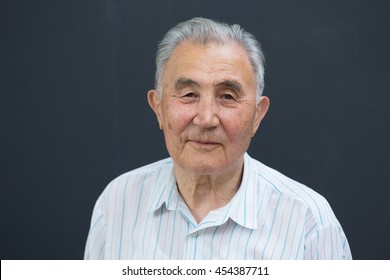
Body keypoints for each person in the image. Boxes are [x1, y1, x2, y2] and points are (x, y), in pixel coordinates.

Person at [84, 17, 352, 260]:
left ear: (257, 115)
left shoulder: (309, 224)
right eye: (188, 94)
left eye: (227, 96)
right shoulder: (117, 203)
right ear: (159, 108)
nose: (206, 118)